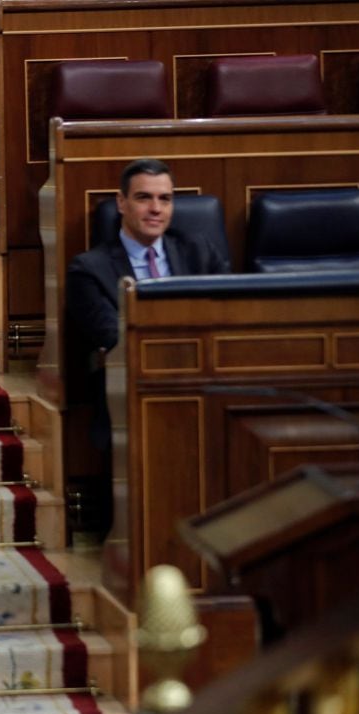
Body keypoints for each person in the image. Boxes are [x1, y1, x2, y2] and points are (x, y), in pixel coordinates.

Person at [65, 158, 229, 540]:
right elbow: (114, 336)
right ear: (121, 203)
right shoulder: (88, 269)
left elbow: (229, 312)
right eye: (144, 198)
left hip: (206, 379)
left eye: (165, 199)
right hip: (134, 391)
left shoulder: (199, 252)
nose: (156, 209)